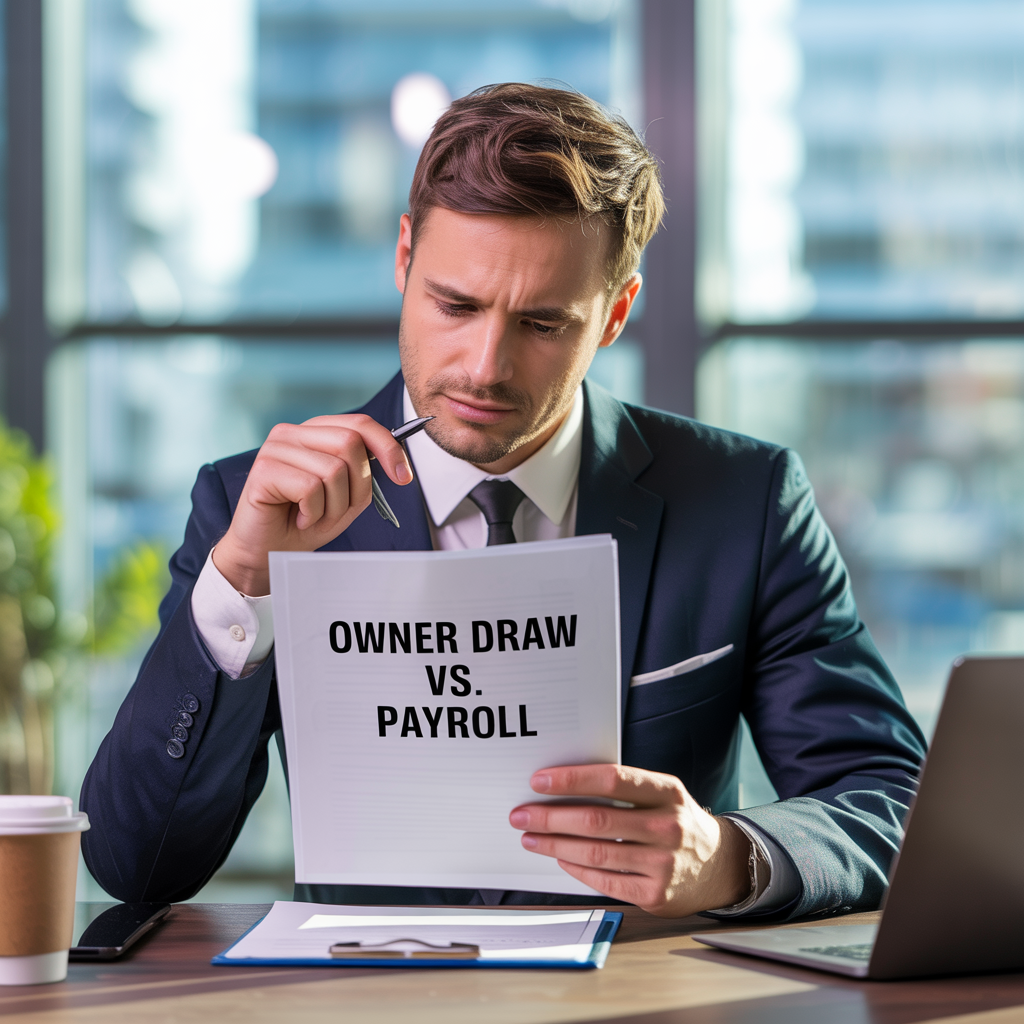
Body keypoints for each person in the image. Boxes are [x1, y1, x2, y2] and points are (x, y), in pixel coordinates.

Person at [81, 83, 925, 920]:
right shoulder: (250, 507)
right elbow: (135, 861)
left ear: (616, 313)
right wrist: (243, 586)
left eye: (543, 323)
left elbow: (893, 804)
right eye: (456, 305)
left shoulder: (747, 502)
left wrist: (728, 858)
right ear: (404, 260)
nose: (485, 367)